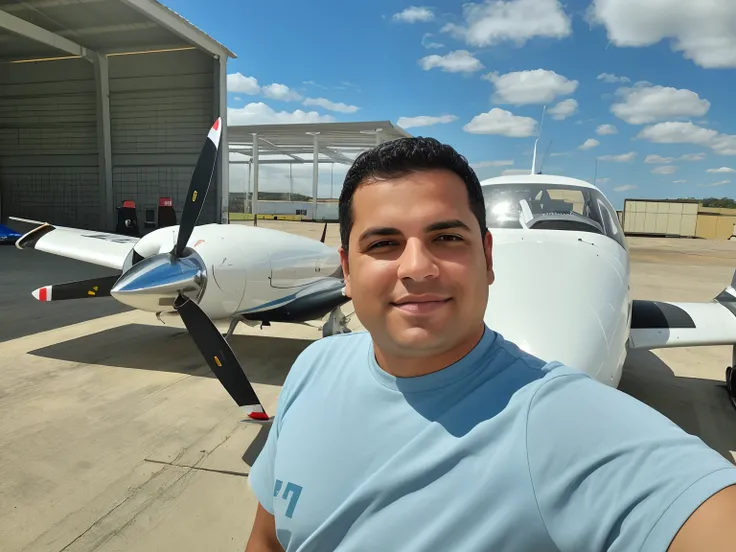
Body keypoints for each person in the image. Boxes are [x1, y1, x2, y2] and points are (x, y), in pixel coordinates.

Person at [245, 137, 736, 551]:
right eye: (383, 243)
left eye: (447, 238)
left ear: (487, 255)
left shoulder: (560, 418)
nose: (417, 268)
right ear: (346, 271)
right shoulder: (313, 366)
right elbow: (268, 539)